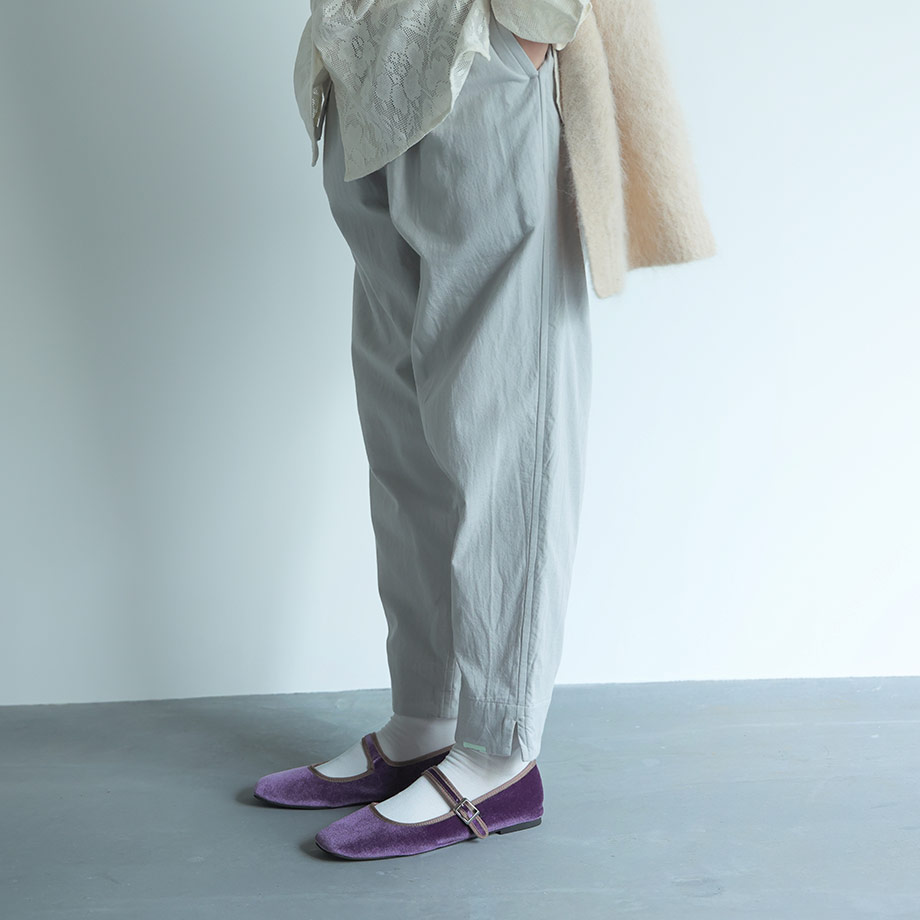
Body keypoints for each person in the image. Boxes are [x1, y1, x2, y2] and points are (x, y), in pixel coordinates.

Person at [255, 0, 707, 861]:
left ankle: (500, 754)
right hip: (362, 62)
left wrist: (527, 31)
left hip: (483, 49)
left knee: (505, 420)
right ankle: (425, 719)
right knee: (403, 430)